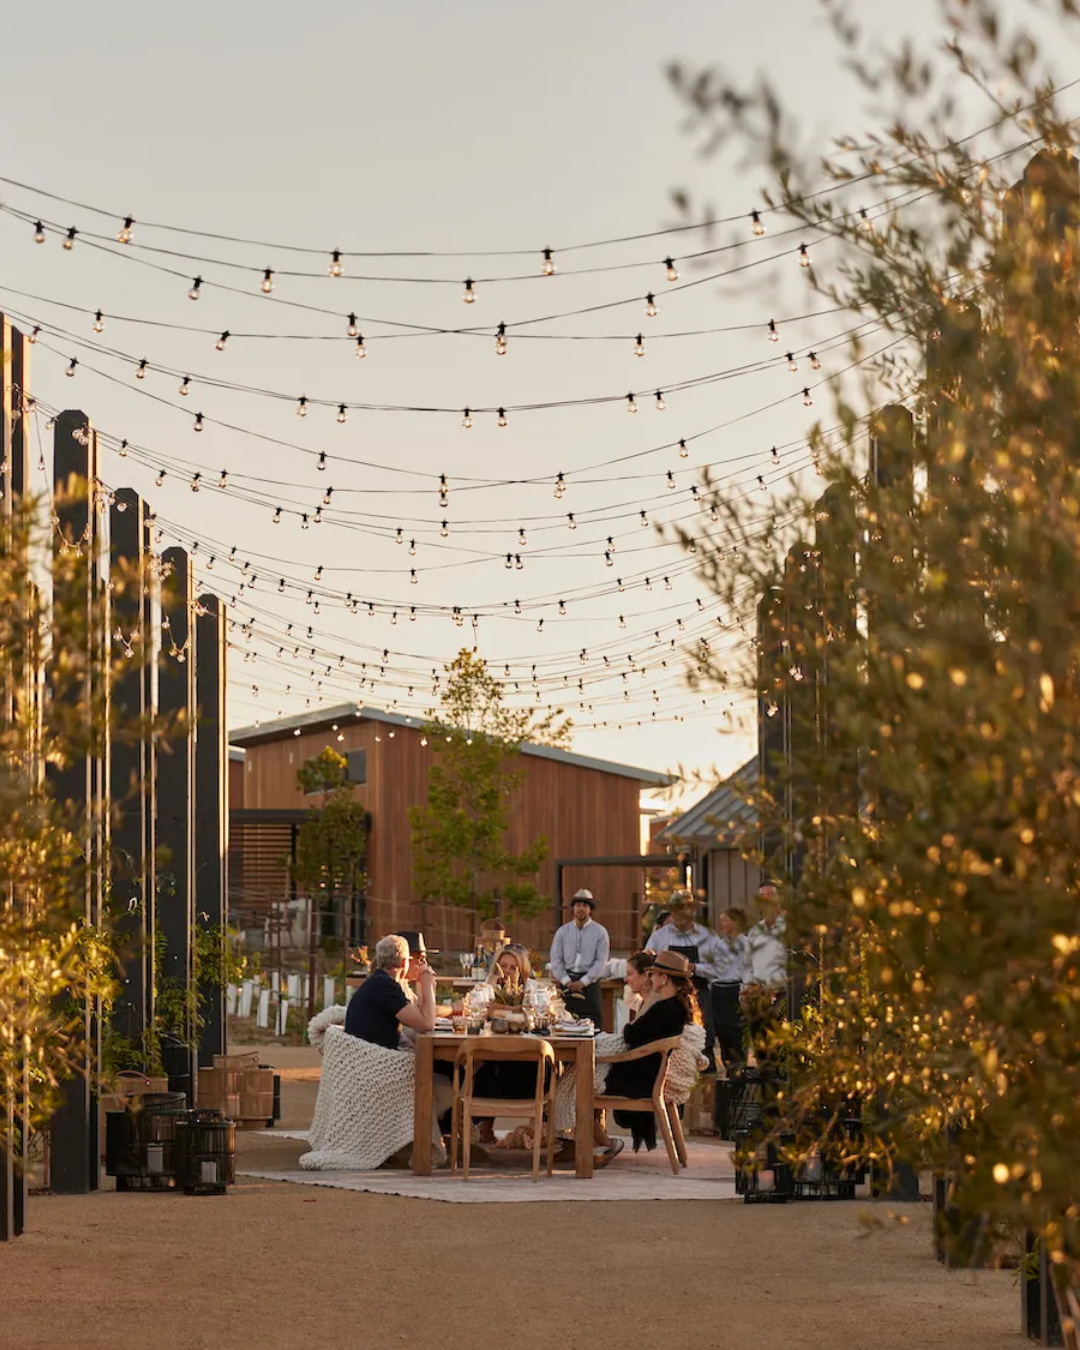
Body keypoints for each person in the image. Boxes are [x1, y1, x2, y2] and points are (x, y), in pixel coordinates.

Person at [595, 949, 701, 1158]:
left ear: (664, 978)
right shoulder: (676, 1007)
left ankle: (598, 1144)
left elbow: (631, 1034)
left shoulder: (665, 1009)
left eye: (653, 974)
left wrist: (625, 1031)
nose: (651, 979)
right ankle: (596, 1142)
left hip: (641, 1080)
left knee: (580, 1081)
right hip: (647, 1074)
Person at [472, 945, 545, 1144]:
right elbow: (479, 1009)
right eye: (503, 966)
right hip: (494, 1056)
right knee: (484, 1067)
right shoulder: (489, 987)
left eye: (513, 968)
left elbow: (530, 1011)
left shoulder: (531, 988)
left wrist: (500, 1008)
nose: (508, 971)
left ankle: (542, 1132)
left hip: (527, 1063)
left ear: (522, 970)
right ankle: (483, 1128)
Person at [645, 891, 726, 1072]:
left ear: (692, 910)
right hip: (667, 996)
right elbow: (647, 959)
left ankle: (706, 1078)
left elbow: (721, 968)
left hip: (697, 992)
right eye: (676, 910)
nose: (680, 914)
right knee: (668, 1037)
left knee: (703, 1038)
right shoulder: (659, 937)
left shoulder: (708, 936)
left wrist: (696, 967)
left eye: (684, 909)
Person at [344, 933, 437, 1047]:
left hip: (368, 1050)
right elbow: (426, 1025)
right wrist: (427, 986)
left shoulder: (379, 981)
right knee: (435, 1057)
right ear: (404, 962)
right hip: (376, 1055)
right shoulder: (386, 987)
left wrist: (422, 986)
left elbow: (419, 1016)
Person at [741, 883, 789, 1063]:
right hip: (757, 996)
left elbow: (792, 966)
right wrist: (747, 986)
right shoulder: (755, 932)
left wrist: (768, 986)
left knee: (778, 1046)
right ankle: (764, 1077)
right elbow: (747, 965)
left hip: (781, 995)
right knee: (759, 1047)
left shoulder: (788, 930)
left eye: (770, 895)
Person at [550, 889, 609, 1026]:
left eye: (585, 905)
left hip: (590, 984)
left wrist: (583, 982)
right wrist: (567, 981)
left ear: (590, 909)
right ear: (573, 908)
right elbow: (556, 959)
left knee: (593, 1024)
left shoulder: (600, 932)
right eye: (578, 905)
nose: (581, 908)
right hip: (566, 982)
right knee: (564, 1021)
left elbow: (601, 961)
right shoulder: (562, 932)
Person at [712, 908, 750, 1071]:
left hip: (735, 989)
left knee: (737, 1033)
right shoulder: (718, 944)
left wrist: (745, 992)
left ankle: (739, 1071)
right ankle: (728, 1068)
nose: (721, 924)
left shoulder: (745, 944)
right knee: (722, 1032)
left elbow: (748, 969)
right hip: (718, 990)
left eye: (724, 920)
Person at [623, 950, 655, 1023]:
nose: (625, 979)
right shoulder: (644, 1002)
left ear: (645, 975)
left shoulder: (654, 1005)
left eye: (629, 974)